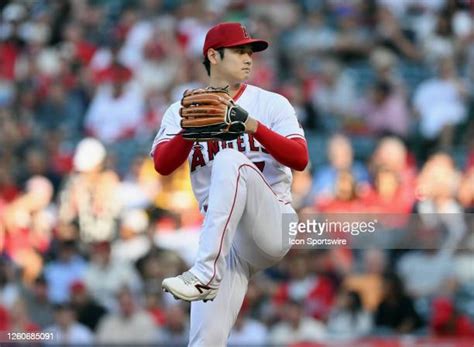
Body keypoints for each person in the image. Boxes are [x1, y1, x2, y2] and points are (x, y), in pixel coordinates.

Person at [151, 22, 308, 346]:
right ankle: (207, 273)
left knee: (229, 160)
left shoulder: (271, 103)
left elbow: (300, 157)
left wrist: (252, 126)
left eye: (250, 52)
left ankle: (205, 274)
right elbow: (163, 165)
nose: (248, 58)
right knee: (203, 342)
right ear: (213, 55)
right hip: (223, 240)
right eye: (239, 51)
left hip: (272, 222)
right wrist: (188, 131)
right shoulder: (183, 110)